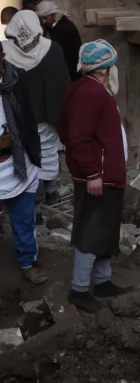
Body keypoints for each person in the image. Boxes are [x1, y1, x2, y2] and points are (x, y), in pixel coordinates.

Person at [57, 40, 132, 313]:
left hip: (107, 175)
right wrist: (92, 172)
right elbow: (77, 137)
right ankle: (79, 289)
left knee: (106, 229)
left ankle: (102, 282)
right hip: (99, 177)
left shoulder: (85, 89)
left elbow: (65, 129)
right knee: (92, 231)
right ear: (105, 69)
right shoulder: (90, 93)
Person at [2, 11, 71, 208]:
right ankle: (50, 190)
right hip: (46, 115)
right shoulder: (53, 49)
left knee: (23, 154)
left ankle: (31, 202)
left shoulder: (5, 52)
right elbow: (63, 85)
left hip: (15, 117)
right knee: (48, 151)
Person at [0, 42, 47, 285]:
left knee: (24, 218)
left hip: (17, 162)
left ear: (2, 58)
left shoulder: (17, 83)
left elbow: (30, 119)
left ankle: (27, 262)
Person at [36, 1, 83, 82]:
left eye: (44, 18)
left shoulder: (66, 28)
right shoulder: (52, 26)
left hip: (69, 73)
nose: (43, 21)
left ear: (52, 15)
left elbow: (70, 57)